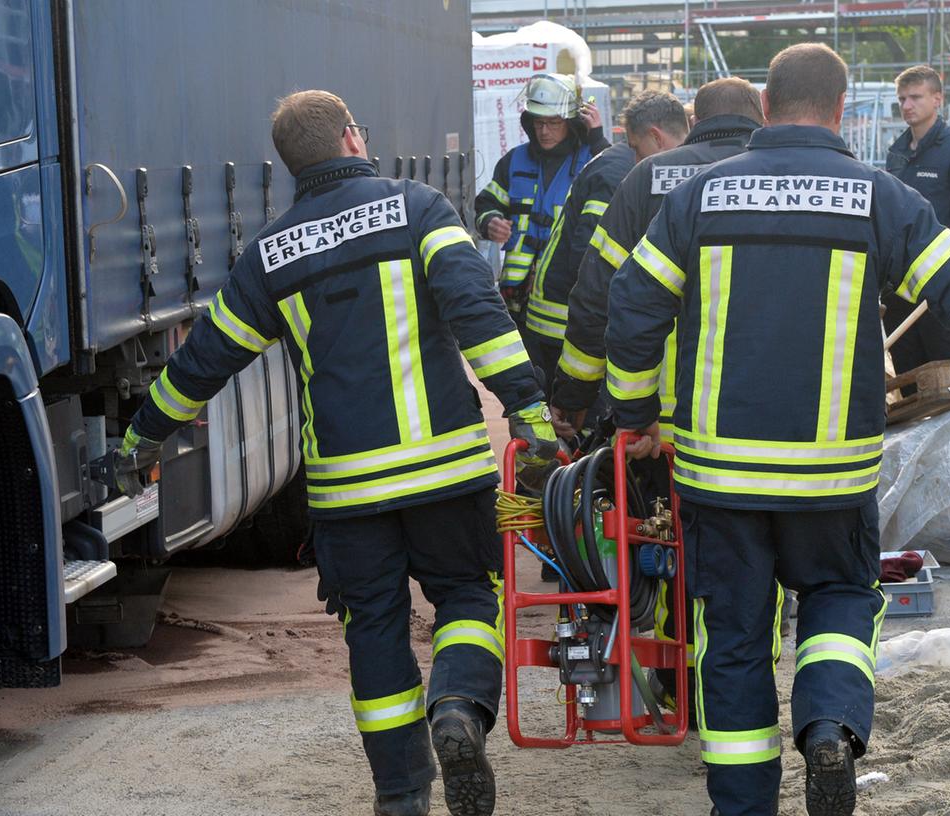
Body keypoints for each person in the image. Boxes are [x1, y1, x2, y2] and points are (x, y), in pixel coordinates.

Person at [602, 45, 950, 816]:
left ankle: (742, 805)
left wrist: (635, 414)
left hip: (718, 475)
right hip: (829, 475)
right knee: (837, 599)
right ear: (841, 113)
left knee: (731, 637)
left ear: (766, 108)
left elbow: (632, 309)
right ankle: (829, 729)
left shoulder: (698, 196)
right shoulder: (878, 197)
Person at [111, 90, 560, 816]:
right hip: (447, 470)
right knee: (470, 598)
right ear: (353, 138)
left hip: (346, 494)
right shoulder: (419, 210)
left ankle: (400, 796)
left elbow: (202, 364)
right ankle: (456, 710)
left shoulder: (270, 255)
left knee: (373, 628)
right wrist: (527, 406)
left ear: (290, 164)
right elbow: (476, 311)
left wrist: (142, 436)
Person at [551, 77, 765, 439]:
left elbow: (595, 296)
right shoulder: (789, 180)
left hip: (660, 419)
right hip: (774, 418)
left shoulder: (647, 177)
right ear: (763, 117)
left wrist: (574, 395)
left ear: (695, 123)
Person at [523, 89, 688, 392]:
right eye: (635, 149)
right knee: (579, 429)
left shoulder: (626, 164)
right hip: (565, 326)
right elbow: (588, 261)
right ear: (658, 137)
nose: (637, 158)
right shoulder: (622, 173)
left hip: (565, 321)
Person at [474, 73, 609, 317]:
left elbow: (619, 182)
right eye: (538, 123)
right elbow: (487, 203)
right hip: (516, 301)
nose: (544, 131)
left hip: (567, 301)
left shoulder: (594, 161)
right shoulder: (513, 161)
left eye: (554, 122)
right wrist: (490, 221)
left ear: (571, 121)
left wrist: (598, 139)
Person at [883, 64, 950, 377]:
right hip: (900, 290)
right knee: (911, 384)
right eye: (902, 99)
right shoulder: (897, 154)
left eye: (915, 97)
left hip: (941, 291)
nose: (907, 106)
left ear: (938, 99)